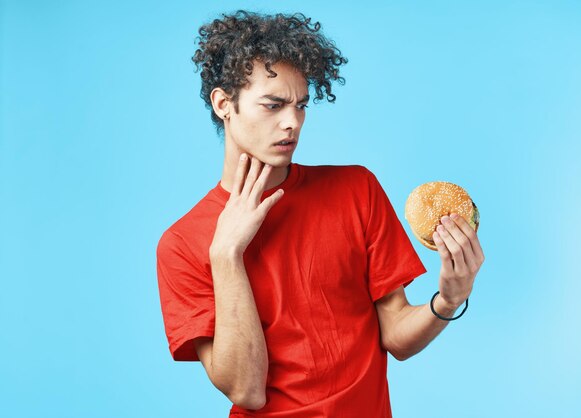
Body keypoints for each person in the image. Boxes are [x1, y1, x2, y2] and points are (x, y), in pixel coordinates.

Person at [156, 9, 485, 417]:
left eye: (301, 105)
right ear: (225, 104)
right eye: (273, 105)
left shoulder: (355, 190)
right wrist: (226, 258)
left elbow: (396, 336)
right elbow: (247, 391)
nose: (292, 122)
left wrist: (450, 300)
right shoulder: (182, 243)